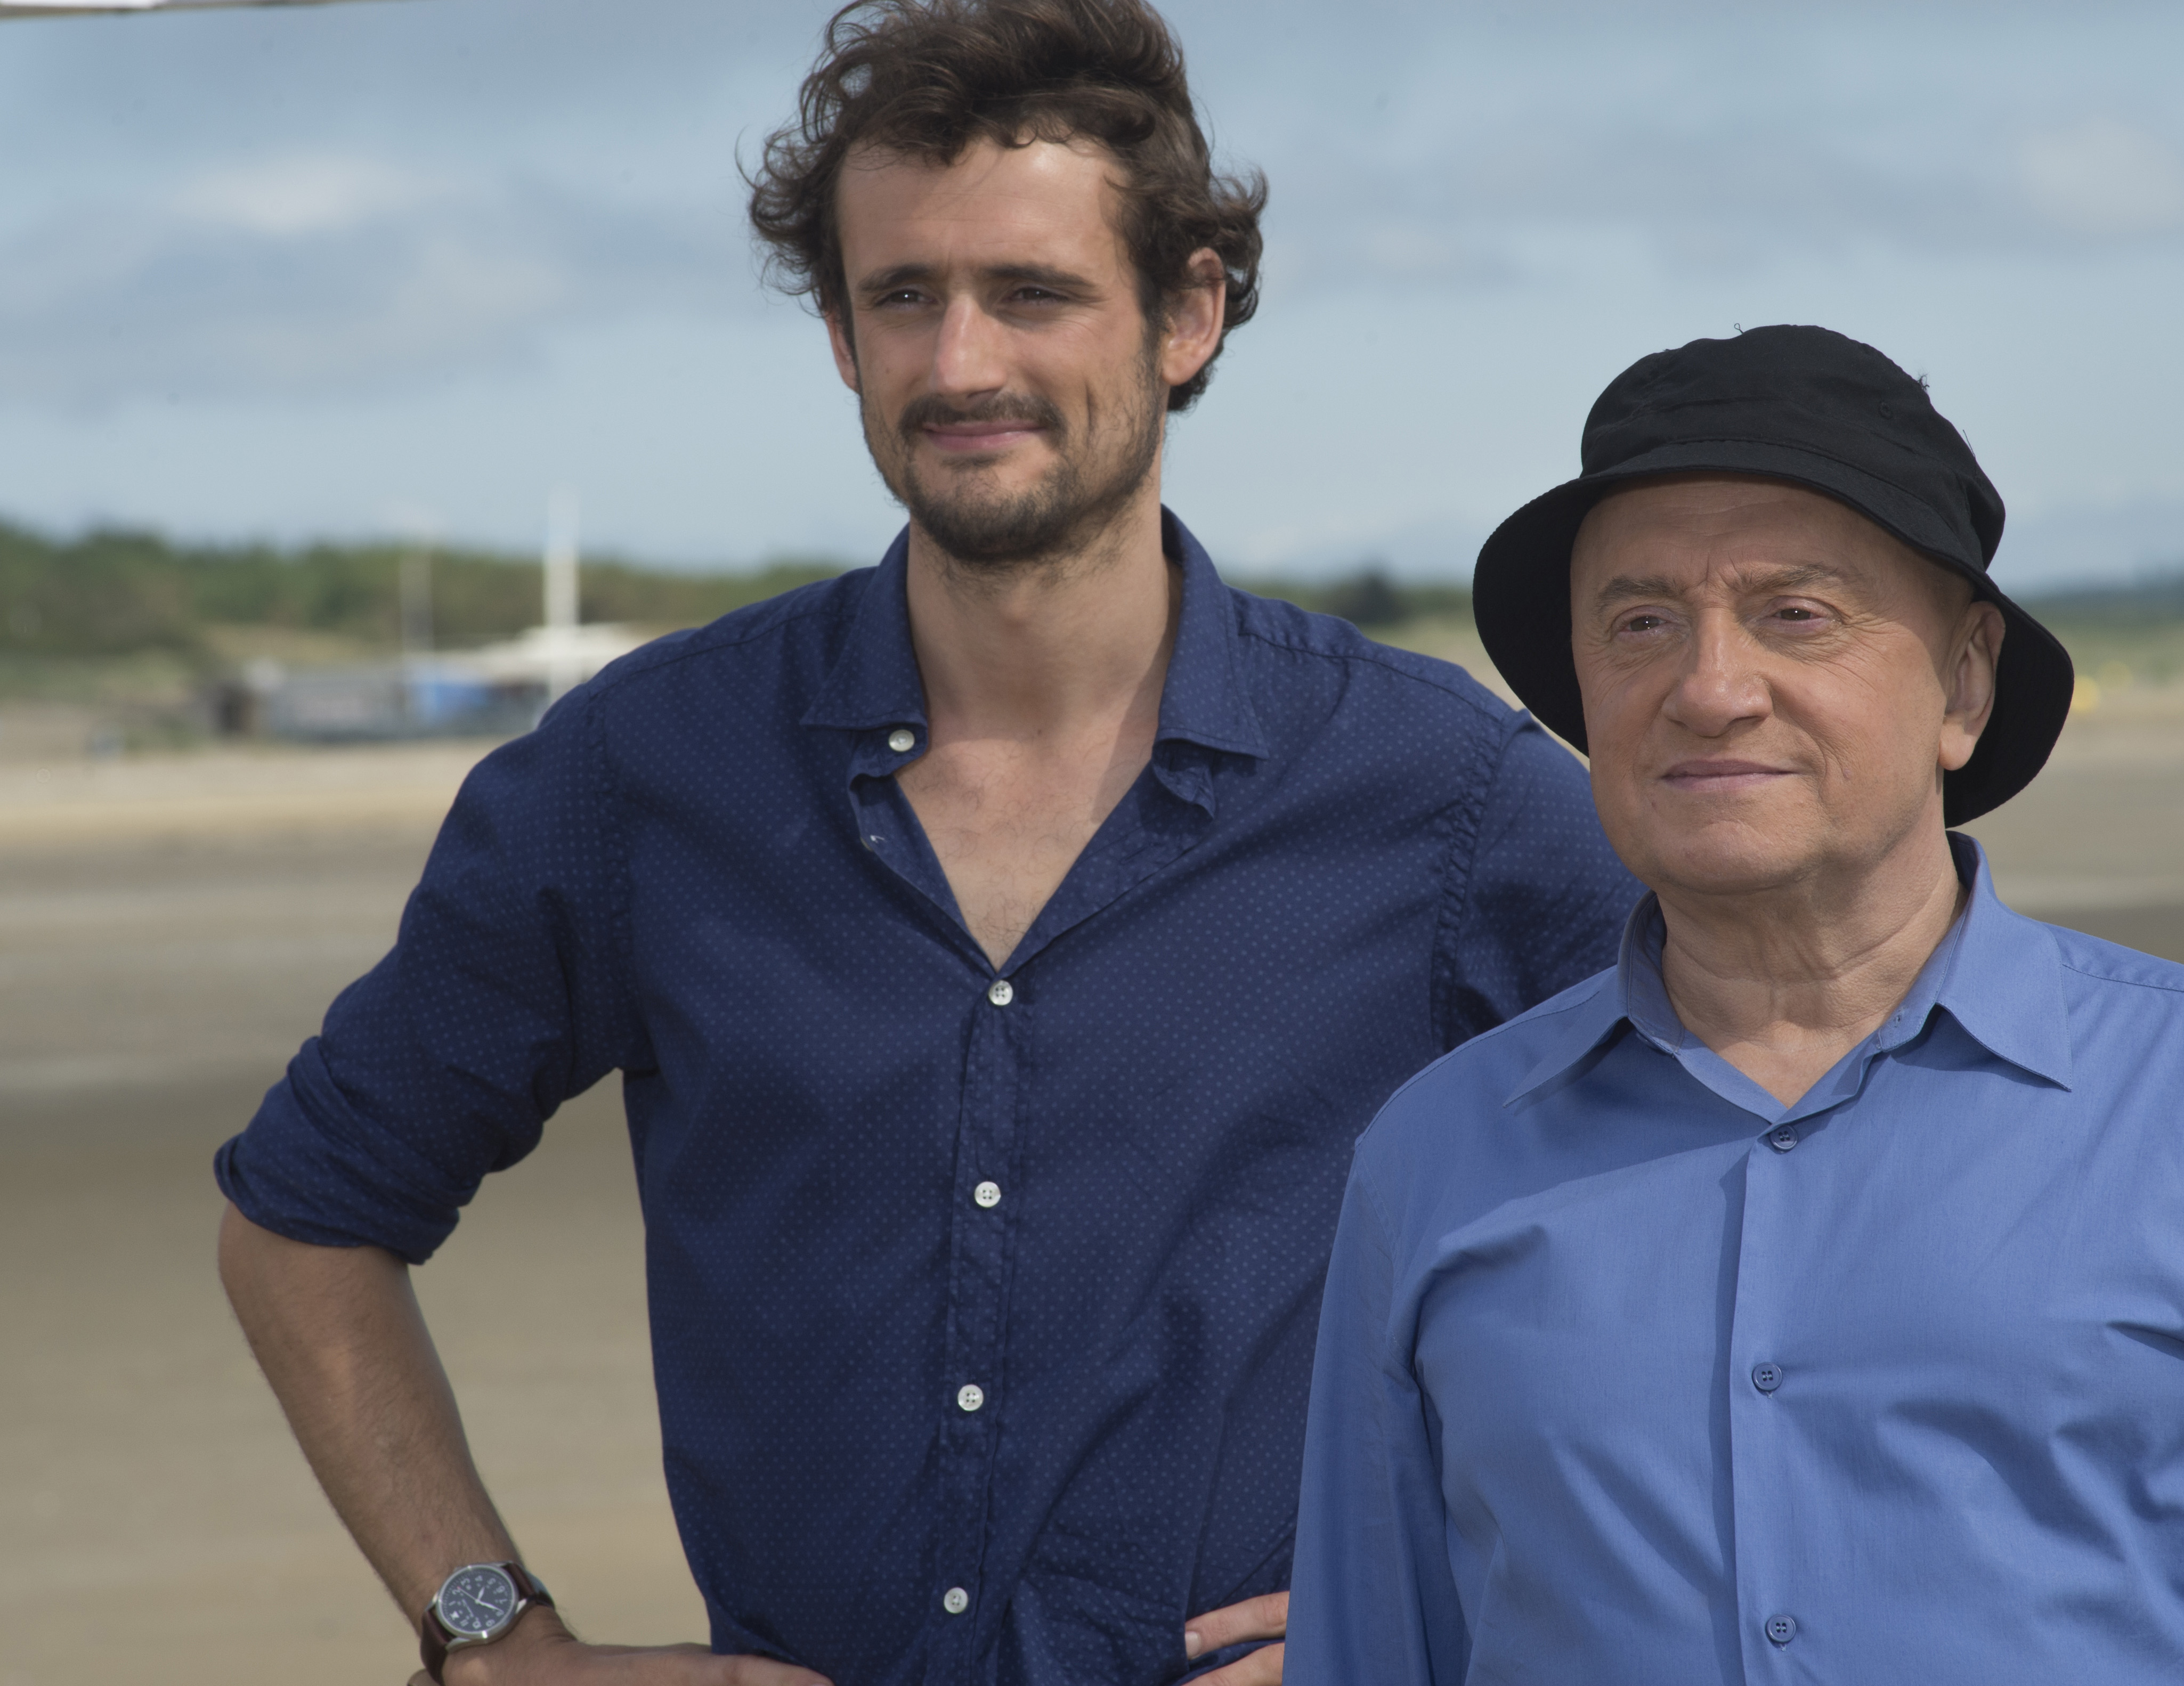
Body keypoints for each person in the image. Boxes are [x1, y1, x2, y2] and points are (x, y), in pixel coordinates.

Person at [212, 4, 1639, 1683]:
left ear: (1186, 312)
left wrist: (1451, 1594)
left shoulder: (1446, 795)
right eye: (903, 296)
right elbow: (303, 1219)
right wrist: (493, 1639)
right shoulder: (641, 772)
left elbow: (1734, 1219)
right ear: (840, 333)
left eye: (1030, 293)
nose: (959, 364)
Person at [1283, 325, 2184, 1683]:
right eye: (1639, 622)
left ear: (1962, 682)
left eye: (1795, 614)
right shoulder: (1432, 1156)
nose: (1707, 687)